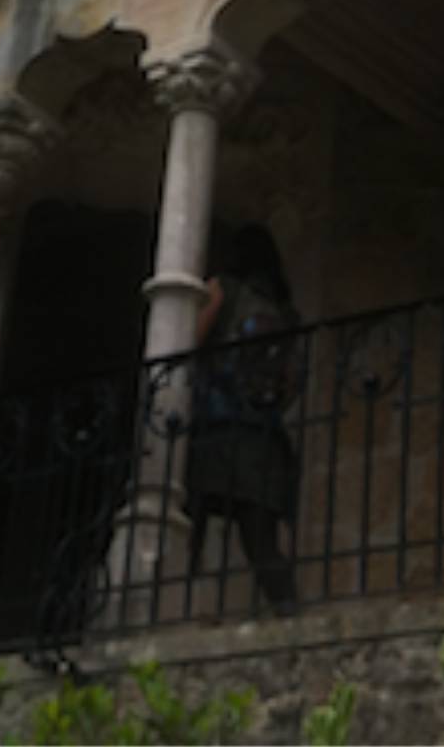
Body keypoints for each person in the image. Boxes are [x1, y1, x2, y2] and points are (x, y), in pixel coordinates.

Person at [187, 224, 300, 609]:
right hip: (262, 437)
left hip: (216, 428)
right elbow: (289, 384)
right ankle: (289, 614)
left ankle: (162, 606)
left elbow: (186, 338)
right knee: (260, 539)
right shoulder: (285, 313)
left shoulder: (224, 288)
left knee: (188, 517)